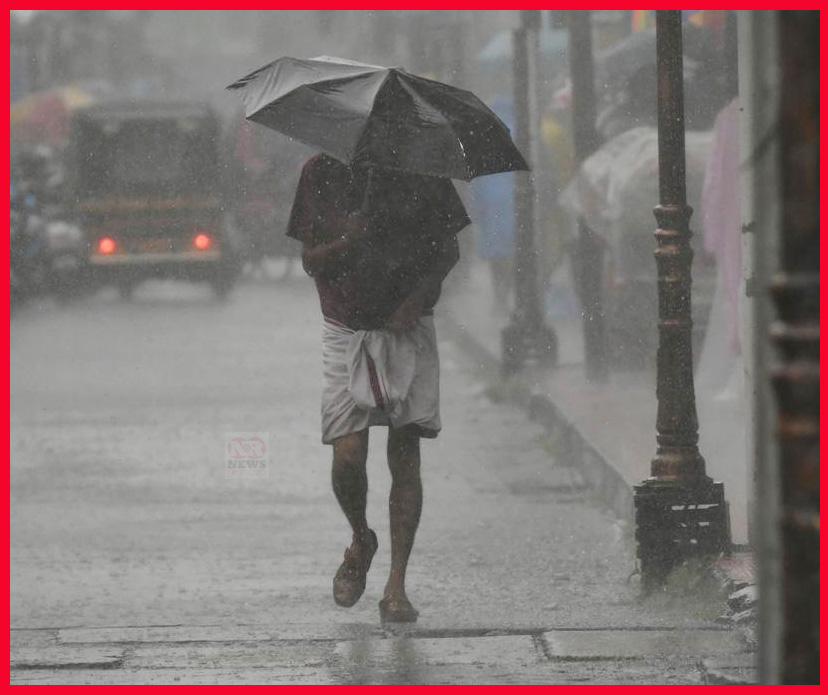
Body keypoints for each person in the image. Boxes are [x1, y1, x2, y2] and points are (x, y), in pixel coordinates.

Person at [287, 153, 470, 622]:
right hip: (345, 329)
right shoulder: (321, 171)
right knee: (348, 454)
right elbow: (310, 260)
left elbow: (448, 250)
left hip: (406, 327)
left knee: (405, 453)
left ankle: (396, 586)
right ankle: (361, 536)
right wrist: (350, 239)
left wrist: (417, 298)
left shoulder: (423, 169)